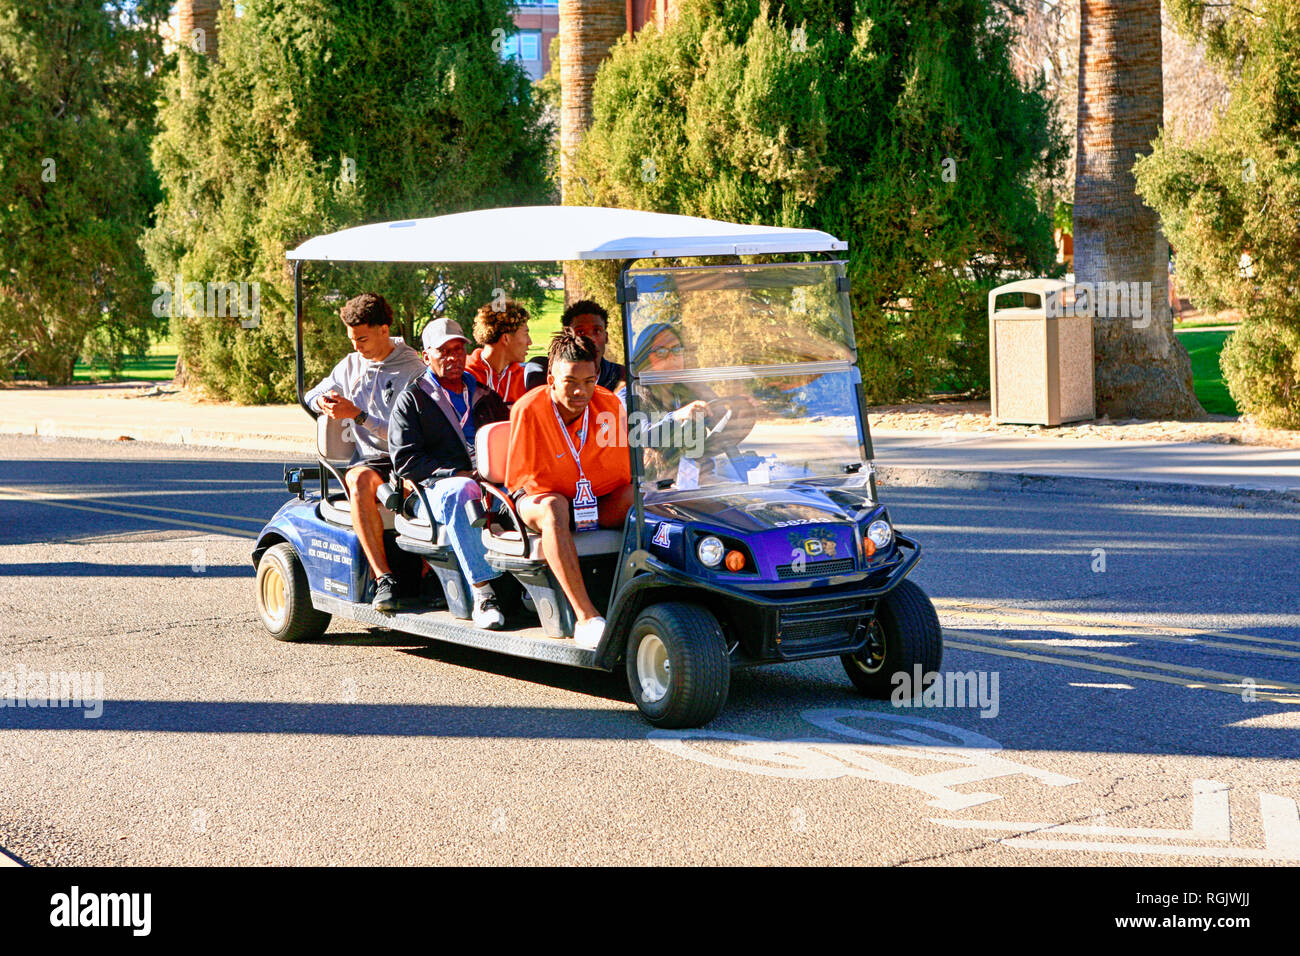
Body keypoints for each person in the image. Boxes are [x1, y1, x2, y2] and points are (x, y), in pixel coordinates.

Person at [506, 329, 632, 649]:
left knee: (640, 499)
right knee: (553, 507)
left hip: (590, 498)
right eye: (570, 382)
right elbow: (526, 480)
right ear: (551, 378)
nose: (581, 392)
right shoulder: (528, 409)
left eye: (589, 381)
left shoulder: (609, 405)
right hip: (539, 500)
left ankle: (641, 600)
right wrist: (575, 482)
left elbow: (620, 473)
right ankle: (586, 618)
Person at [304, 292, 425, 611]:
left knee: (424, 488)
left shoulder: (411, 369)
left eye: (362, 339)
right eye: (352, 339)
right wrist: (323, 403)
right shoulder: (351, 365)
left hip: (408, 455)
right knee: (358, 482)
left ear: (384, 330)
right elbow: (312, 394)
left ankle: (430, 571)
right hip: (371, 461)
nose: (356, 347)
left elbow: (405, 436)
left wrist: (358, 415)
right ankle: (383, 578)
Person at [389, 318, 512, 629]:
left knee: (535, 495)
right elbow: (406, 461)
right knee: (461, 491)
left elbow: (509, 438)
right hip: (432, 491)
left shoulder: (484, 393)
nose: (453, 357)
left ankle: (529, 586)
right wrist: (459, 472)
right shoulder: (412, 399)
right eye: (443, 351)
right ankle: (483, 595)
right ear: (426, 355)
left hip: (489, 483)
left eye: (458, 350)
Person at [523, 299, 627, 395]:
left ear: (606, 337)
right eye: (580, 332)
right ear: (566, 336)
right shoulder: (542, 370)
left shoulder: (621, 375)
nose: (590, 338)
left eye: (597, 331)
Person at [465, 298, 532, 405]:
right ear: (506, 338)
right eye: (525, 334)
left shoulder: (525, 379)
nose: (530, 342)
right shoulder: (465, 375)